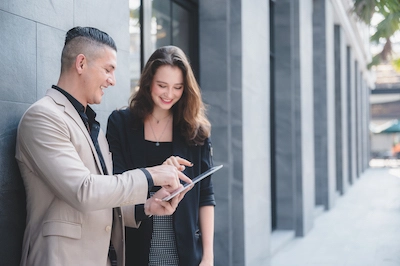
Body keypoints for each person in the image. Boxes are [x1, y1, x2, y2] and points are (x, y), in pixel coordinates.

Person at [15, 27, 192, 266]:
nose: (113, 80)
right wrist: (151, 175)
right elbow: (84, 190)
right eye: (108, 69)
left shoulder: (91, 124)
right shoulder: (42, 117)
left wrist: (146, 206)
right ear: (81, 63)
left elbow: (104, 196)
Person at [106, 45, 216, 266]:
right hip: (134, 248)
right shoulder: (121, 124)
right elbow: (115, 184)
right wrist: (158, 175)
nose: (169, 94)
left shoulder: (195, 132)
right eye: (162, 85)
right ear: (148, 82)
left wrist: (208, 256)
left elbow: (206, 196)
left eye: (178, 87)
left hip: (185, 253)